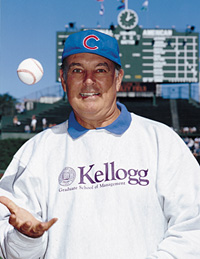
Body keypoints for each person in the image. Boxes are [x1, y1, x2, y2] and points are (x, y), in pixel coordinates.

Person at [0, 30, 200, 259]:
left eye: (101, 70)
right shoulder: (35, 153)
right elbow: (11, 252)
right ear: (64, 80)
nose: (88, 80)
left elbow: (193, 229)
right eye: (77, 70)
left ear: (117, 78)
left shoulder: (162, 142)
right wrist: (26, 238)